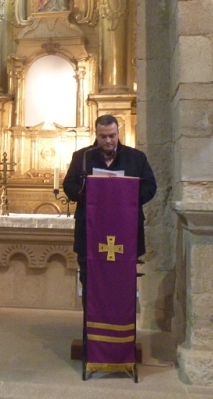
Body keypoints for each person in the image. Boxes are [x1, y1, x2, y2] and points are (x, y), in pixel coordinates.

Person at [63, 115, 157, 285]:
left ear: (118, 133)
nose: (108, 140)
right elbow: (69, 185)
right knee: (92, 284)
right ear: (96, 134)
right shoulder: (82, 157)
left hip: (125, 229)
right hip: (90, 229)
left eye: (112, 136)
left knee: (122, 285)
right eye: (103, 136)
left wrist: (126, 197)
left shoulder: (136, 158)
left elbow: (150, 187)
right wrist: (90, 195)